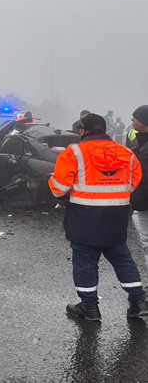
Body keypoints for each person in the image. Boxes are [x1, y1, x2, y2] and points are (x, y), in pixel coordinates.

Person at [49, 113, 146, 320]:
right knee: (122, 258)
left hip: (85, 217)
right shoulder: (126, 153)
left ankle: (90, 307)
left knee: (85, 262)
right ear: (104, 129)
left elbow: (58, 188)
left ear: (83, 130)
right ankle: (138, 301)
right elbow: (134, 180)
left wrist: (69, 192)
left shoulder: (74, 152)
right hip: (116, 216)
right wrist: (115, 194)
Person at [130, 105, 148, 275]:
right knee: (145, 242)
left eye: (135, 117)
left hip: (143, 199)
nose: (132, 120)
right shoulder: (140, 140)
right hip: (142, 202)